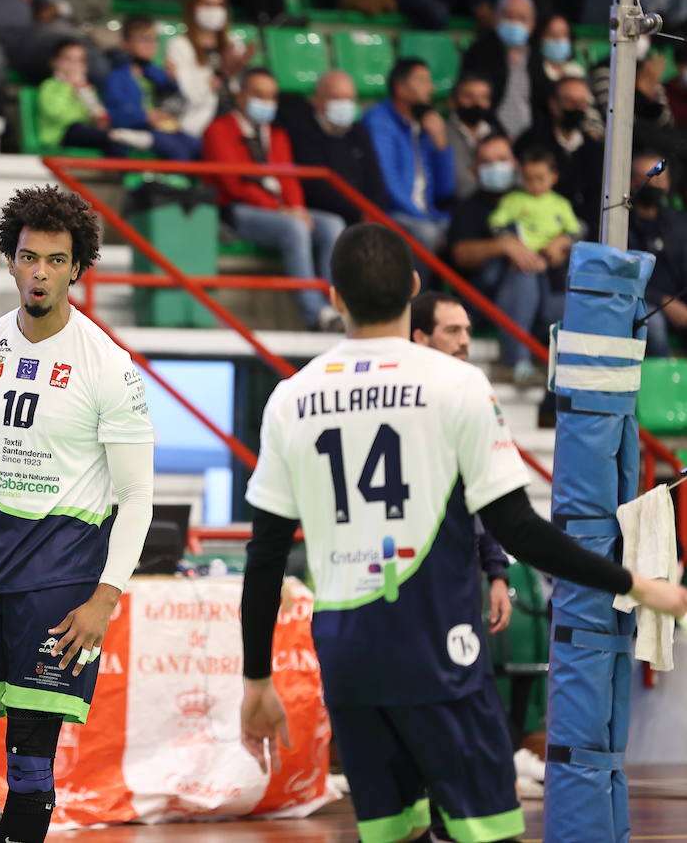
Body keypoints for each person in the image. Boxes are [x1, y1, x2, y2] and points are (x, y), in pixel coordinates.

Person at [238, 221, 687, 843]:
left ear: (334, 295)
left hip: (348, 661)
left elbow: (263, 557)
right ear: (414, 288)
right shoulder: (456, 384)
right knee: (487, 833)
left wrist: (255, 678)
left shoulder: (291, 397)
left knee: (397, 834)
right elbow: (519, 530)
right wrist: (634, 582)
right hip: (437, 656)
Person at [0, 185, 154, 843]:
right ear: (10, 262)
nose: (39, 271)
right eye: (28, 257)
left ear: (77, 268)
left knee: (29, 763)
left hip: (60, 582)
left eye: (54, 259)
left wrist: (106, 596)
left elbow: (137, 498)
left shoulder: (110, 368)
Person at [204, 67, 348, 331]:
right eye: (259, 95)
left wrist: (296, 207)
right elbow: (235, 185)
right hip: (235, 211)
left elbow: (289, 179)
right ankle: (315, 314)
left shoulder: (277, 135)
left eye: (271, 96)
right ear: (241, 96)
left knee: (332, 225)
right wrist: (282, 211)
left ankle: (335, 306)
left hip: (279, 210)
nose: (266, 102)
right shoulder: (219, 130)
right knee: (294, 227)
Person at [409, 291, 513, 637]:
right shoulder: (402, 403)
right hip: (403, 576)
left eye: (467, 331)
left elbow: (487, 495)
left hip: (458, 577)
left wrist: (497, 574)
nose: (465, 341)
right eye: (452, 331)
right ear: (420, 338)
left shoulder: (470, 398)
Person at [448, 134, 559, 388]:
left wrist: (561, 244)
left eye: (501, 159)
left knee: (582, 308)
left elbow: (572, 232)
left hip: (544, 296)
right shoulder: (469, 207)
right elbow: (460, 254)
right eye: (487, 162)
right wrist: (502, 246)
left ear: (514, 163)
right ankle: (517, 362)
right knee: (522, 272)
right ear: (475, 169)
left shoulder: (538, 197)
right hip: (484, 302)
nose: (495, 167)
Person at [362, 58, 456, 257]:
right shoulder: (379, 122)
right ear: (400, 88)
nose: (430, 88)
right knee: (427, 234)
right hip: (393, 212)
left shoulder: (423, 125)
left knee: (468, 231)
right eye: (422, 81)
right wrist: (422, 218)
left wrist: (441, 144)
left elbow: (445, 190)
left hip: (428, 213)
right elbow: (389, 185)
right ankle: (414, 289)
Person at [280, 70, 388, 227]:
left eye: (349, 98)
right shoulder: (303, 131)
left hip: (363, 215)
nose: (344, 105)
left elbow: (375, 179)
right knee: (333, 226)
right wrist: (359, 213)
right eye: (336, 97)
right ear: (317, 99)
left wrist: (373, 212)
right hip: (326, 213)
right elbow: (316, 187)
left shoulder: (358, 132)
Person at [163, 0, 252, 139]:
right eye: (207, 3)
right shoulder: (179, 45)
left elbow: (240, 92)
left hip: (234, 120)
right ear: (192, 7)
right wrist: (220, 75)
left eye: (219, 5)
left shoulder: (233, 44)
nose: (213, 10)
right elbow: (190, 94)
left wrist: (238, 73)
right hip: (198, 123)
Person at [101, 17, 199, 161]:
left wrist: (174, 80)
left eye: (153, 40)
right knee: (176, 149)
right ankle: (173, 183)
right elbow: (115, 115)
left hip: (162, 129)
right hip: (135, 131)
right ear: (126, 44)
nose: (150, 45)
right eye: (143, 40)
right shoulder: (117, 77)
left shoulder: (156, 73)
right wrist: (145, 116)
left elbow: (175, 97)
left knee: (196, 145)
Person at [38, 39, 153, 156]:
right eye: (68, 59)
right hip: (61, 134)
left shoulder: (86, 89)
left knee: (115, 143)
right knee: (83, 130)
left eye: (79, 61)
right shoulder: (51, 85)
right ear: (55, 62)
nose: (74, 65)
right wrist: (70, 88)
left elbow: (95, 112)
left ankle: (120, 169)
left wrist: (97, 117)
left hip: (85, 131)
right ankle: (118, 135)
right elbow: (56, 113)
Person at [516, 76, 603, 229]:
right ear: (553, 103)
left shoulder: (593, 148)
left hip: (580, 230)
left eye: (582, 103)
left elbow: (597, 197)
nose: (576, 108)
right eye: (569, 101)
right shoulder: (531, 141)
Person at [627, 150, 687, 357]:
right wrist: (665, 302)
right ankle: (662, 385)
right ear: (633, 182)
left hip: (680, 305)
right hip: (642, 304)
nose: (656, 183)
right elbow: (626, 276)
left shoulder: (679, 223)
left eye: (661, 177)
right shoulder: (622, 224)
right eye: (650, 176)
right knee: (654, 323)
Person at [459, 0, 540, 142]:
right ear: (495, 19)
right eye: (508, 16)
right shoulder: (480, 52)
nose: (515, 22)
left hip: (529, 139)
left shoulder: (535, 56)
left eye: (522, 18)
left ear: (532, 24)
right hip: (490, 136)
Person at [488, 147, 581, 258]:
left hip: (552, 257)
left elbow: (575, 232)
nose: (535, 184)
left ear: (554, 176)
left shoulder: (562, 204)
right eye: (528, 179)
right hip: (521, 258)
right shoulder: (512, 200)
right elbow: (495, 224)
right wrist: (510, 241)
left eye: (540, 178)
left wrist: (560, 242)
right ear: (521, 176)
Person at [447, 74, 500, 201]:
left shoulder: (495, 133)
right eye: (469, 97)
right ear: (452, 102)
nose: (477, 103)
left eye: (484, 97)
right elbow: (461, 186)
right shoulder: (444, 135)